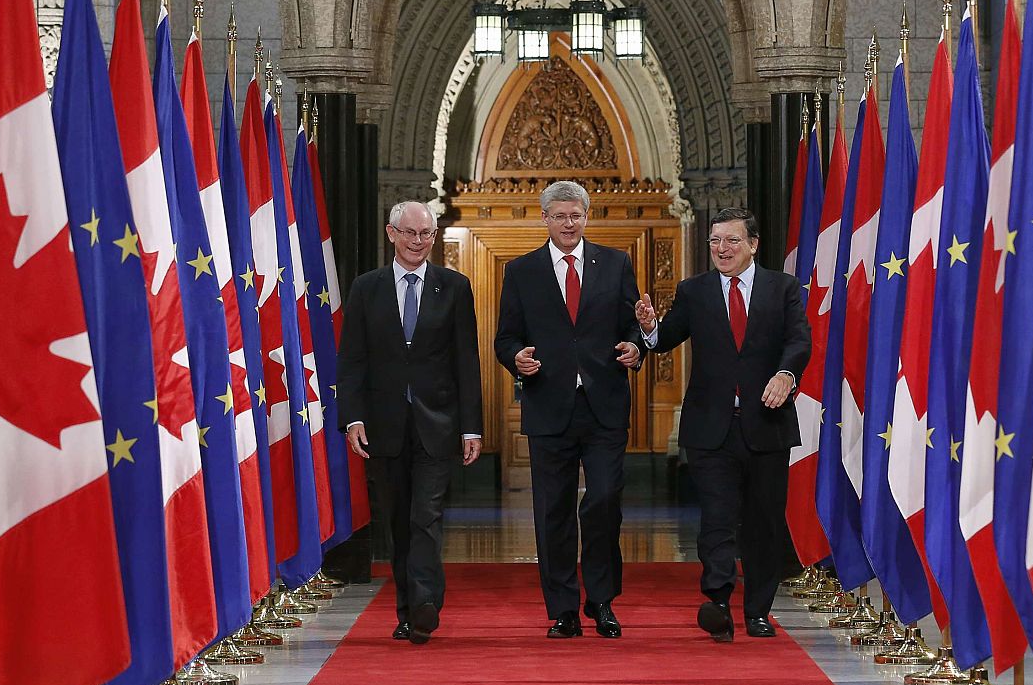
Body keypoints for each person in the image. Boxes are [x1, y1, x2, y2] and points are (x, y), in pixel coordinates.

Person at [636, 207, 810, 641]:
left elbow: (799, 340)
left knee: (762, 522)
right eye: (715, 241)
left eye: (731, 241)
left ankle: (757, 612)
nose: (721, 249)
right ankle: (717, 601)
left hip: (766, 425)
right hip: (711, 427)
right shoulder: (693, 291)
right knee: (716, 517)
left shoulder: (782, 288)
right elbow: (666, 338)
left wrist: (786, 375)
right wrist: (650, 327)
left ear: (753, 244)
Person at [494, 180, 643, 639]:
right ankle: (562, 609)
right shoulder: (521, 271)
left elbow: (632, 327)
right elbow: (506, 337)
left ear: (587, 215)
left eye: (576, 215)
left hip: (604, 406)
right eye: (559, 216)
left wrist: (634, 348)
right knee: (552, 511)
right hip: (548, 408)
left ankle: (601, 602)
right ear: (545, 219)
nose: (568, 223)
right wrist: (514, 357)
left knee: (602, 503)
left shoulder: (616, 263)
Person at [340, 201, 482, 645]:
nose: (418, 242)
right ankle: (407, 611)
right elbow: (352, 360)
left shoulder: (454, 287)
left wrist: (471, 427)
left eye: (426, 234)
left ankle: (424, 602)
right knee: (399, 521)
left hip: (437, 424)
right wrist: (353, 419)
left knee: (426, 515)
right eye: (410, 233)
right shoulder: (366, 288)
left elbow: (466, 362)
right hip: (383, 427)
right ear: (391, 233)